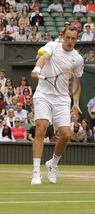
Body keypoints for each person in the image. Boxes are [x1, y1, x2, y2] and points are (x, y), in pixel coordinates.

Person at [30, 26, 84, 185]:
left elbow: (76, 82)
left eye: (73, 39)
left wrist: (76, 103)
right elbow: (43, 58)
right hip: (43, 95)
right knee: (41, 128)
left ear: (76, 39)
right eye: (67, 37)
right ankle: (36, 172)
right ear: (63, 36)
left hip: (62, 99)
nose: (70, 41)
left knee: (66, 135)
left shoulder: (78, 59)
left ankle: (52, 164)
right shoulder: (52, 46)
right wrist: (37, 68)